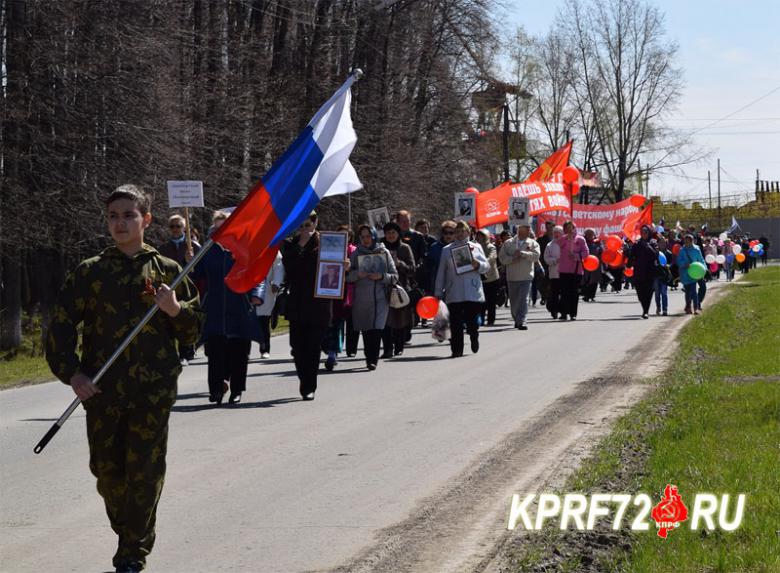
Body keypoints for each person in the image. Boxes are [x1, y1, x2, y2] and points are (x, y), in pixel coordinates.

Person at [46, 184, 201, 573]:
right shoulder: (91, 272)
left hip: (152, 392)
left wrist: (174, 309)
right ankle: (129, 532)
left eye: (129, 215)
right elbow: (61, 328)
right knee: (108, 472)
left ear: (146, 220)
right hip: (102, 393)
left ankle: (133, 552)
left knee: (145, 473)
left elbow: (193, 331)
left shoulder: (168, 271)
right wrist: (73, 374)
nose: (120, 223)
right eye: (114, 216)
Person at [193, 210, 263, 405]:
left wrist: (256, 296)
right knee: (215, 351)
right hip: (214, 308)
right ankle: (215, 390)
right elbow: (195, 275)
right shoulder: (207, 250)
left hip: (240, 307)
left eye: (224, 226)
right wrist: (190, 259)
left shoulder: (244, 249)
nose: (221, 230)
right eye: (217, 227)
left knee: (239, 352)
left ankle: (237, 389)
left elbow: (257, 276)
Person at [281, 211, 335, 400]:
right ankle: (304, 378)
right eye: (301, 226)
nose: (304, 229)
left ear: (315, 223)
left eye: (307, 225)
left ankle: (308, 386)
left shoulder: (327, 243)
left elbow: (333, 272)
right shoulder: (290, 244)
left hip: (319, 304)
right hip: (297, 302)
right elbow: (289, 268)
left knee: (312, 347)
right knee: (296, 346)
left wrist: (342, 267)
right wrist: (300, 246)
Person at [434, 220, 489, 357]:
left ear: (468, 232)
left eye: (462, 231)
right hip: (454, 291)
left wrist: (478, 265)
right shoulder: (447, 250)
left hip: (472, 291)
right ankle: (456, 349)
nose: (459, 234)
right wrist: (438, 292)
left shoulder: (476, 247)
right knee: (455, 323)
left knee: (471, 322)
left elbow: (486, 266)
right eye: (456, 232)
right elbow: (441, 272)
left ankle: (474, 336)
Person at [347, 225, 398, 370]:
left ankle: (372, 360)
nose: (366, 239)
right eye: (362, 237)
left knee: (376, 329)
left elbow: (395, 276)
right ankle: (368, 357)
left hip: (381, 299)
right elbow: (346, 277)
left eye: (368, 236)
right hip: (362, 300)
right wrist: (358, 274)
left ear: (374, 236)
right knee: (367, 330)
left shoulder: (384, 252)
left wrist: (381, 276)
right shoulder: (356, 254)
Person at [158, 213, 202, 364]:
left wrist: (190, 261)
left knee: (186, 315)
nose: (175, 229)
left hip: (189, 287)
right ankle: (179, 351)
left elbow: (201, 270)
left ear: (185, 228)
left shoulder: (194, 246)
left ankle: (188, 350)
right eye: (172, 226)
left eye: (178, 226)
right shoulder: (163, 249)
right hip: (171, 289)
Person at [381, 221, 415, 357]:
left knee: (400, 320)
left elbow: (412, 269)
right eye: (388, 233)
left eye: (393, 233)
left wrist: (400, 264)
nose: (390, 235)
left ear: (398, 234)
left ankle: (399, 347)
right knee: (385, 320)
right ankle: (387, 349)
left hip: (401, 288)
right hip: (383, 287)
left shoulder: (405, 248)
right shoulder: (380, 248)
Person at [498, 223, 540, 330]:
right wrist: (512, 258)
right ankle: (517, 318)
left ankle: (522, 320)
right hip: (512, 277)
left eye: (529, 227)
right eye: (526, 227)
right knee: (514, 301)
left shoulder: (533, 243)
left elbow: (536, 256)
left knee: (523, 299)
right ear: (519, 228)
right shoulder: (508, 243)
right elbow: (502, 258)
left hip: (526, 276)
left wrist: (524, 254)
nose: (528, 229)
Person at [556, 221, 589, 321]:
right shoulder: (562, 239)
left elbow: (586, 253)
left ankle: (573, 313)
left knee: (574, 293)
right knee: (564, 292)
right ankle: (563, 313)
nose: (570, 230)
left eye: (572, 227)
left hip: (576, 270)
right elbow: (559, 244)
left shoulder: (580, 239)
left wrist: (576, 256)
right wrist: (567, 238)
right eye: (567, 228)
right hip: (564, 270)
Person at [255, 251, 285, 359]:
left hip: (266, 289)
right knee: (246, 321)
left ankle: (264, 349)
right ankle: (243, 350)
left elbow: (278, 267)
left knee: (263, 321)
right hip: (248, 286)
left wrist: (276, 283)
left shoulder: (272, 248)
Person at [628, 225, 659, 319]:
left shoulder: (653, 242)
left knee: (648, 292)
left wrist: (647, 246)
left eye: (646, 232)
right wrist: (628, 263)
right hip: (638, 272)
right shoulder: (637, 243)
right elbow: (631, 255)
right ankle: (644, 308)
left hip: (649, 271)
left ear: (649, 232)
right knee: (640, 293)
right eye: (642, 232)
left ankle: (646, 311)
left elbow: (655, 255)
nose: (644, 234)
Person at [476, 229, 500, 326]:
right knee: (481, 301)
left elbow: (492, 257)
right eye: (478, 235)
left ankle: (491, 319)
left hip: (492, 278)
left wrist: (482, 263)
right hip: (480, 278)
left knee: (491, 300)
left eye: (481, 235)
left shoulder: (491, 247)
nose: (479, 237)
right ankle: (481, 319)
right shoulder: (475, 247)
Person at [677, 234, 705, 314]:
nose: (686, 243)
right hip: (685, 273)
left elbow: (701, 260)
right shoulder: (682, 250)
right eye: (685, 242)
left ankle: (696, 308)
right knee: (688, 291)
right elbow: (679, 261)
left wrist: (703, 269)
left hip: (694, 273)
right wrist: (684, 264)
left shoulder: (696, 249)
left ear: (692, 241)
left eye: (688, 242)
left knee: (693, 290)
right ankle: (688, 307)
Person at [543, 225, 564, 319]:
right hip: (554, 273)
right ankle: (554, 311)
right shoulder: (550, 245)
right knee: (554, 293)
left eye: (558, 232)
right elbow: (546, 258)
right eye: (555, 232)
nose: (556, 234)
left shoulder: (566, 243)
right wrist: (555, 260)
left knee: (563, 293)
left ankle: (563, 311)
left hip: (565, 272)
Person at [582, 228, 602, 302]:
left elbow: (601, 252)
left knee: (594, 281)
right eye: (588, 234)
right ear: (585, 235)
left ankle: (592, 295)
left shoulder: (597, 243)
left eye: (591, 234)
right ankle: (586, 295)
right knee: (585, 280)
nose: (590, 235)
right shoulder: (583, 242)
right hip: (585, 265)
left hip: (596, 265)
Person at [654, 237, 672, 315]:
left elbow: (671, 263)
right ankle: (658, 307)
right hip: (656, 275)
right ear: (657, 243)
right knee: (657, 293)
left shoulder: (669, 253)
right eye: (661, 242)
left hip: (664, 275)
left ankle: (665, 309)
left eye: (664, 242)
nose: (662, 244)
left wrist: (668, 265)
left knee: (664, 293)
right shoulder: (654, 253)